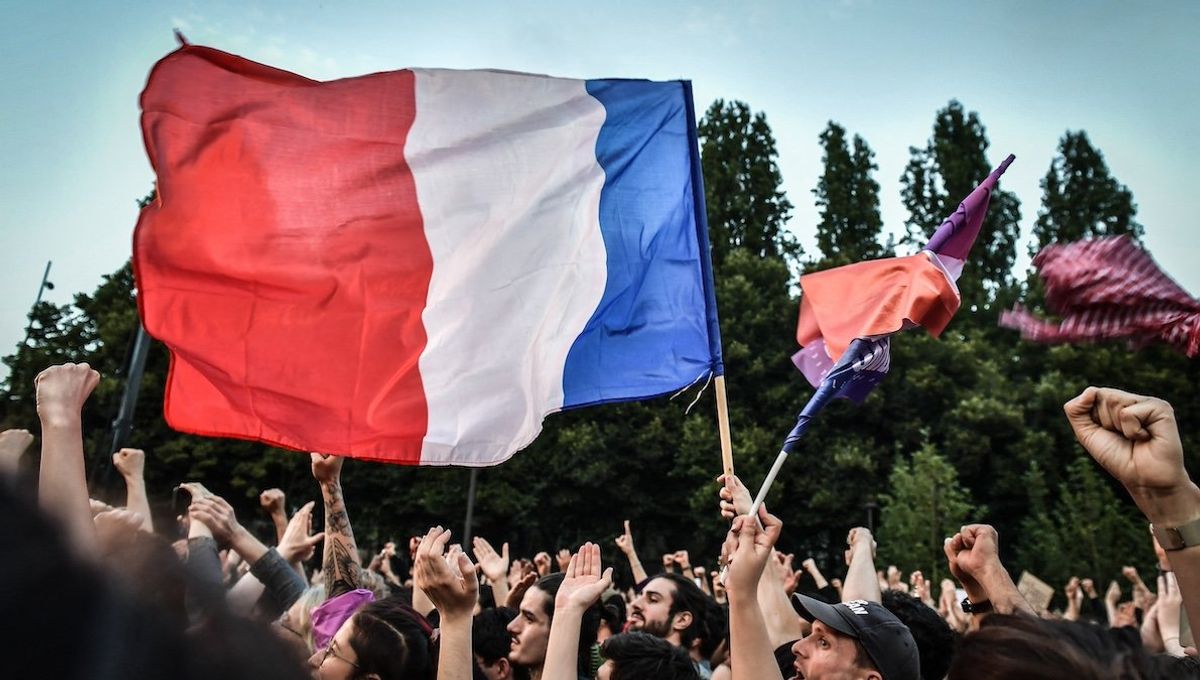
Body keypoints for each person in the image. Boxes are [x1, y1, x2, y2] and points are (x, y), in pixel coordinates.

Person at [724, 504, 920, 680]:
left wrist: (741, 592)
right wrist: (748, 511)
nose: (796, 647)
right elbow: (864, 610)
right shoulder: (803, 670)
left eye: (823, 643)